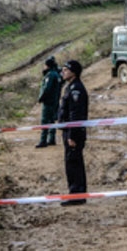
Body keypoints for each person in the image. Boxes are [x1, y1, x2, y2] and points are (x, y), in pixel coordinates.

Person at [57, 60, 89, 206]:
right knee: (72, 163)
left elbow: (75, 115)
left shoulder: (76, 89)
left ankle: (76, 195)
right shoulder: (70, 87)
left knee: (74, 164)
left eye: (66, 70)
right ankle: (77, 193)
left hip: (73, 133)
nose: (63, 72)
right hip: (70, 131)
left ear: (74, 72)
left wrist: (72, 136)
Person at [36, 56, 62, 148]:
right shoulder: (57, 74)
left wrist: (41, 98)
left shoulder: (50, 75)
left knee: (45, 121)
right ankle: (51, 139)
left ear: (47, 65)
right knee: (51, 120)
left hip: (49, 101)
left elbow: (47, 88)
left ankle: (43, 141)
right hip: (55, 101)